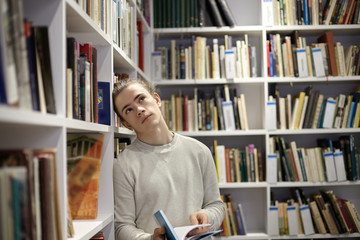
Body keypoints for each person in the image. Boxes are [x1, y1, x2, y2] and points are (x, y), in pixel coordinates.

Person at [112, 78, 225, 240]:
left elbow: (216, 205)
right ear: (126, 124)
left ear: (156, 99)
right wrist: (150, 239)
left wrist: (207, 218)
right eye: (128, 110)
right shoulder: (123, 164)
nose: (139, 110)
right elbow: (122, 226)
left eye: (141, 99)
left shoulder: (200, 151)